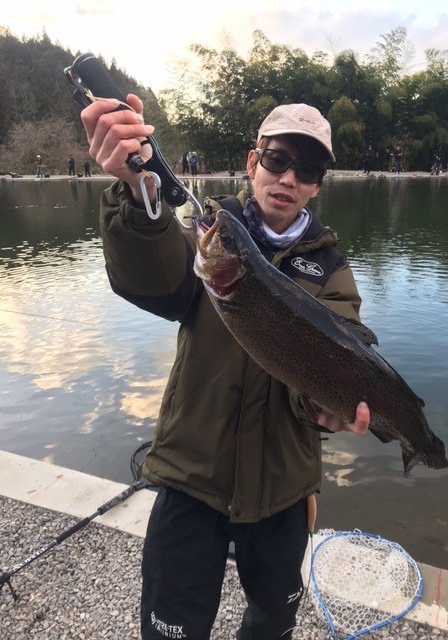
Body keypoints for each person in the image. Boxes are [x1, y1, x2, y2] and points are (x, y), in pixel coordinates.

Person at [80, 97, 371, 640]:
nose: (289, 178)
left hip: (283, 490)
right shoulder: (211, 236)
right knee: (171, 629)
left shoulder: (330, 268)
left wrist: (324, 407)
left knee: (272, 623)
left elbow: (339, 359)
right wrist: (139, 193)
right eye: (278, 159)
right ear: (252, 161)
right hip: (190, 478)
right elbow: (155, 282)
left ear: (317, 186)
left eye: (308, 170)